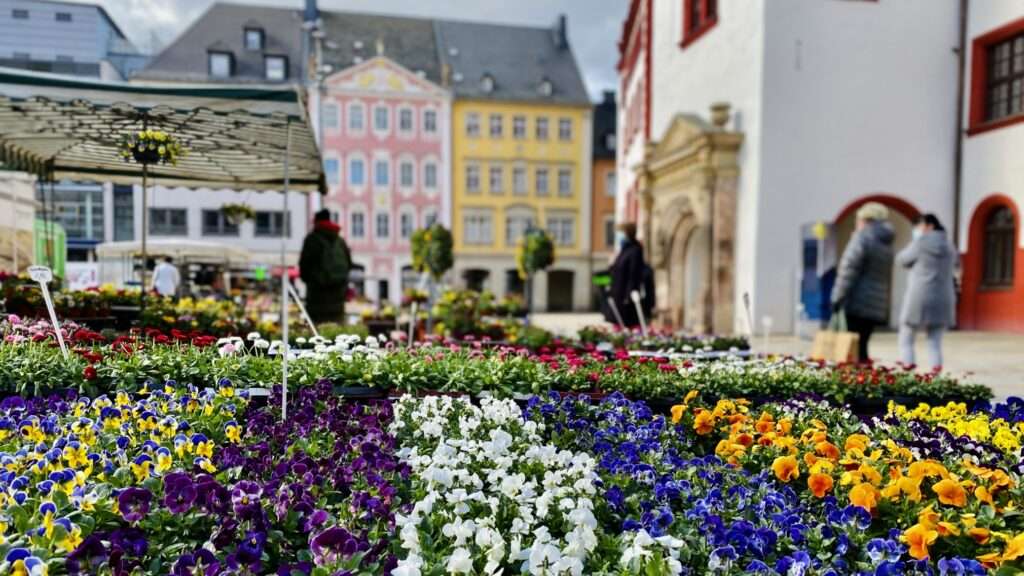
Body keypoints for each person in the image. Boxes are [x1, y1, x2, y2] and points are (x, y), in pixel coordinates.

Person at [830, 202, 895, 362]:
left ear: (865, 219)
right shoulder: (886, 242)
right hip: (876, 303)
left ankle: (855, 383)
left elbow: (848, 269)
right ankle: (866, 380)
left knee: (852, 349)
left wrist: (837, 297)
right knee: (863, 346)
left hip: (857, 301)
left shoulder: (862, 238)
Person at [897, 213, 957, 372]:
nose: (916, 229)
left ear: (930, 226)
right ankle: (935, 379)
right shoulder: (949, 245)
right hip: (943, 297)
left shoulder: (920, 243)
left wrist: (914, 243)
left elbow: (902, 259)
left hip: (920, 296)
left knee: (906, 337)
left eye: (919, 225)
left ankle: (908, 376)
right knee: (934, 342)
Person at [299, 209, 351, 324]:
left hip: (317, 297)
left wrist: (310, 280)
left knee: (316, 332)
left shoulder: (312, 239)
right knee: (337, 333)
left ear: (316, 222)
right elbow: (349, 264)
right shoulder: (340, 240)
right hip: (337, 297)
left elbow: (304, 266)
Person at [609, 222, 653, 328]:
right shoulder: (623, 250)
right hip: (618, 295)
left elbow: (634, 274)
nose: (619, 235)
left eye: (621, 232)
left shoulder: (635, 249)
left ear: (627, 233)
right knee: (618, 324)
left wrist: (628, 296)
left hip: (627, 298)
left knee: (628, 325)